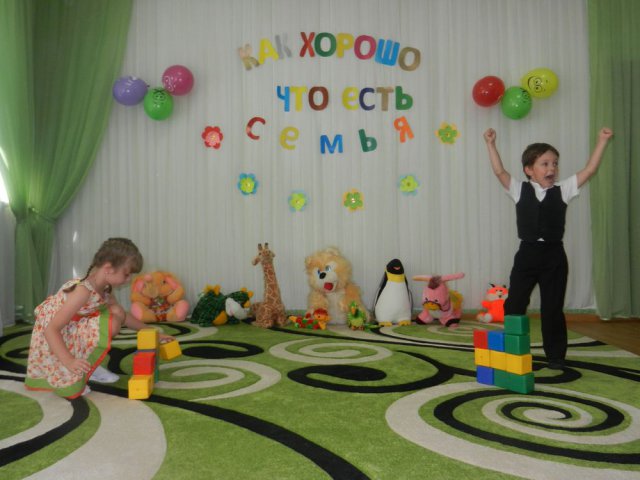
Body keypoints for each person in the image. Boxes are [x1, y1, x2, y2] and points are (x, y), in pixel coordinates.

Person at [483, 127, 613, 370]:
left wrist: (602, 141)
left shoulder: (563, 190)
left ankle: (556, 356)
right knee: (514, 304)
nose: (552, 168)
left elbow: (589, 170)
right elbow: (499, 171)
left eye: (555, 164)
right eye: (544, 164)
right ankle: (512, 349)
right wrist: (491, 144)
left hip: (554, 257)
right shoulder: (519, 189)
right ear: (529, 170)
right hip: (527, 254)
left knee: (552, 308)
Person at [25, 237, 173, 398]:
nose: (129, 279)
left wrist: (152, 333)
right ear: (108, 268)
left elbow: (124, 316)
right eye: (126, 274)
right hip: (55, 333)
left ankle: (90, 365)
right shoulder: (82, 291)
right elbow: (51, 329)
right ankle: (81, 367)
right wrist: (69, 361)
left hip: (73, 326)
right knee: (112, 322)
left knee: (117, 313)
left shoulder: (106, 288)